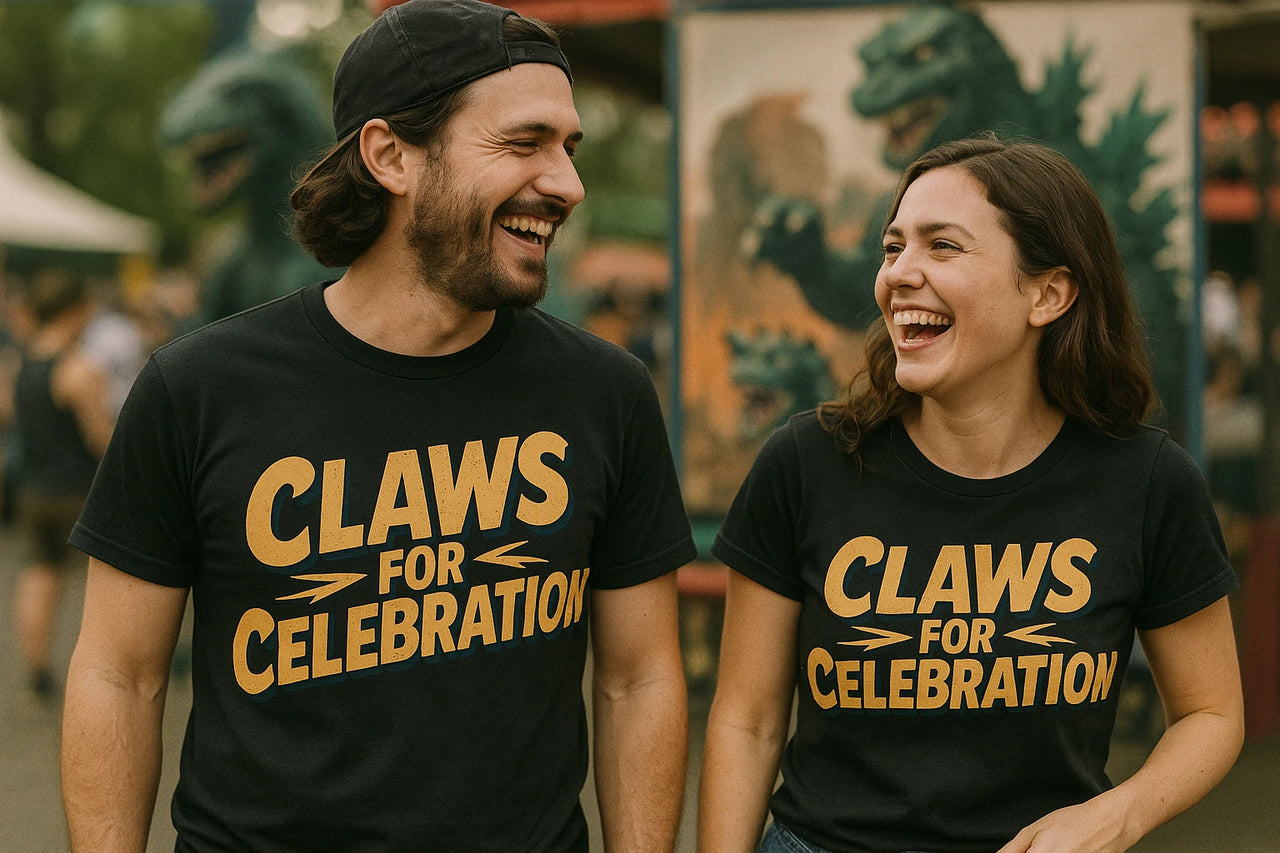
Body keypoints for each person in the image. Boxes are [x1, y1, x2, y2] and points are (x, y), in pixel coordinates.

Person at [60, 2, 695, 850]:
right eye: (524, 142)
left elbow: (640, 676)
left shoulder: (606, 391)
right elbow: (117, 673)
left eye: (569, 148)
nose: (568, 184)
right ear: (390, 154)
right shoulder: (199, 387)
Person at [698, 136, 1244, 853]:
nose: (899, 273)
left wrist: (1120, 811)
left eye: (942, 246)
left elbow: (1211, 710)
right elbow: (747, 717)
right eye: (893, 248)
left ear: (1048, 293)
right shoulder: (805, 464)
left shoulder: (1146, 481)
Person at [10, 268, 114, 706]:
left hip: (33, 490)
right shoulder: (79, 369)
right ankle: (104, 674)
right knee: (104, 589)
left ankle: (37, 672)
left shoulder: (20, 364)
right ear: (72, 311)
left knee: (39, 575)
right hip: (78, 492)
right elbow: (101, 438)